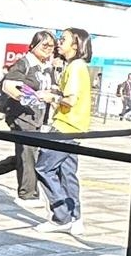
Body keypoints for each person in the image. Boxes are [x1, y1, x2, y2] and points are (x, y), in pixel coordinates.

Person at [34, 27, 93, 238]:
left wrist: (51, 97)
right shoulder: (78, 66)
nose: (59, 42)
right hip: (77, 127)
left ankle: (61, 217)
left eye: (64, 39)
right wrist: (55, 91)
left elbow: (71, 100)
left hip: (65, 126)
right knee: (67, 173)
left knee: (44, 168)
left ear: (76, 44)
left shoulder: (75, 67)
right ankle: (76, 217)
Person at [0, 30, 57, 207]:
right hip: (21, 115)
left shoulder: (46, 67)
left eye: (52, 46)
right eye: (44, 45)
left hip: (39, 117)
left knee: (30, 153)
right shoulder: (25, 63)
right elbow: (8, 85)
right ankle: (28, 193)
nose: (48, 49)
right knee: (28, 151)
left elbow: (52, 90)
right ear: (33, 45)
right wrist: (27, 98)